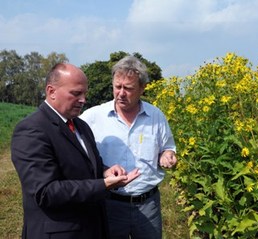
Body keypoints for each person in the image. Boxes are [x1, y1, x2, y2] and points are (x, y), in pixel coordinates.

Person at [11, 63, 140, 239]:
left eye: (85, 93)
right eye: (76, 93)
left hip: (91, 228)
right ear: (51, 91)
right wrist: (103, 184)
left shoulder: (81, 126)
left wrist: (105, 171)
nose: (83, 100)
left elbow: (84, 164)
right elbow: (45, 192)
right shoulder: (32, 130)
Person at [80, 55, 177, 239]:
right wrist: (103, 171)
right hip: (109, 203)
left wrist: (167, 155)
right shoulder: (93, 117)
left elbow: (168, 147)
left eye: (128, 88)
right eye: (117, 87)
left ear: (142, 88)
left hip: (148, 204)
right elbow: (76, 151)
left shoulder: (156, 116)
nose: (121, 93)